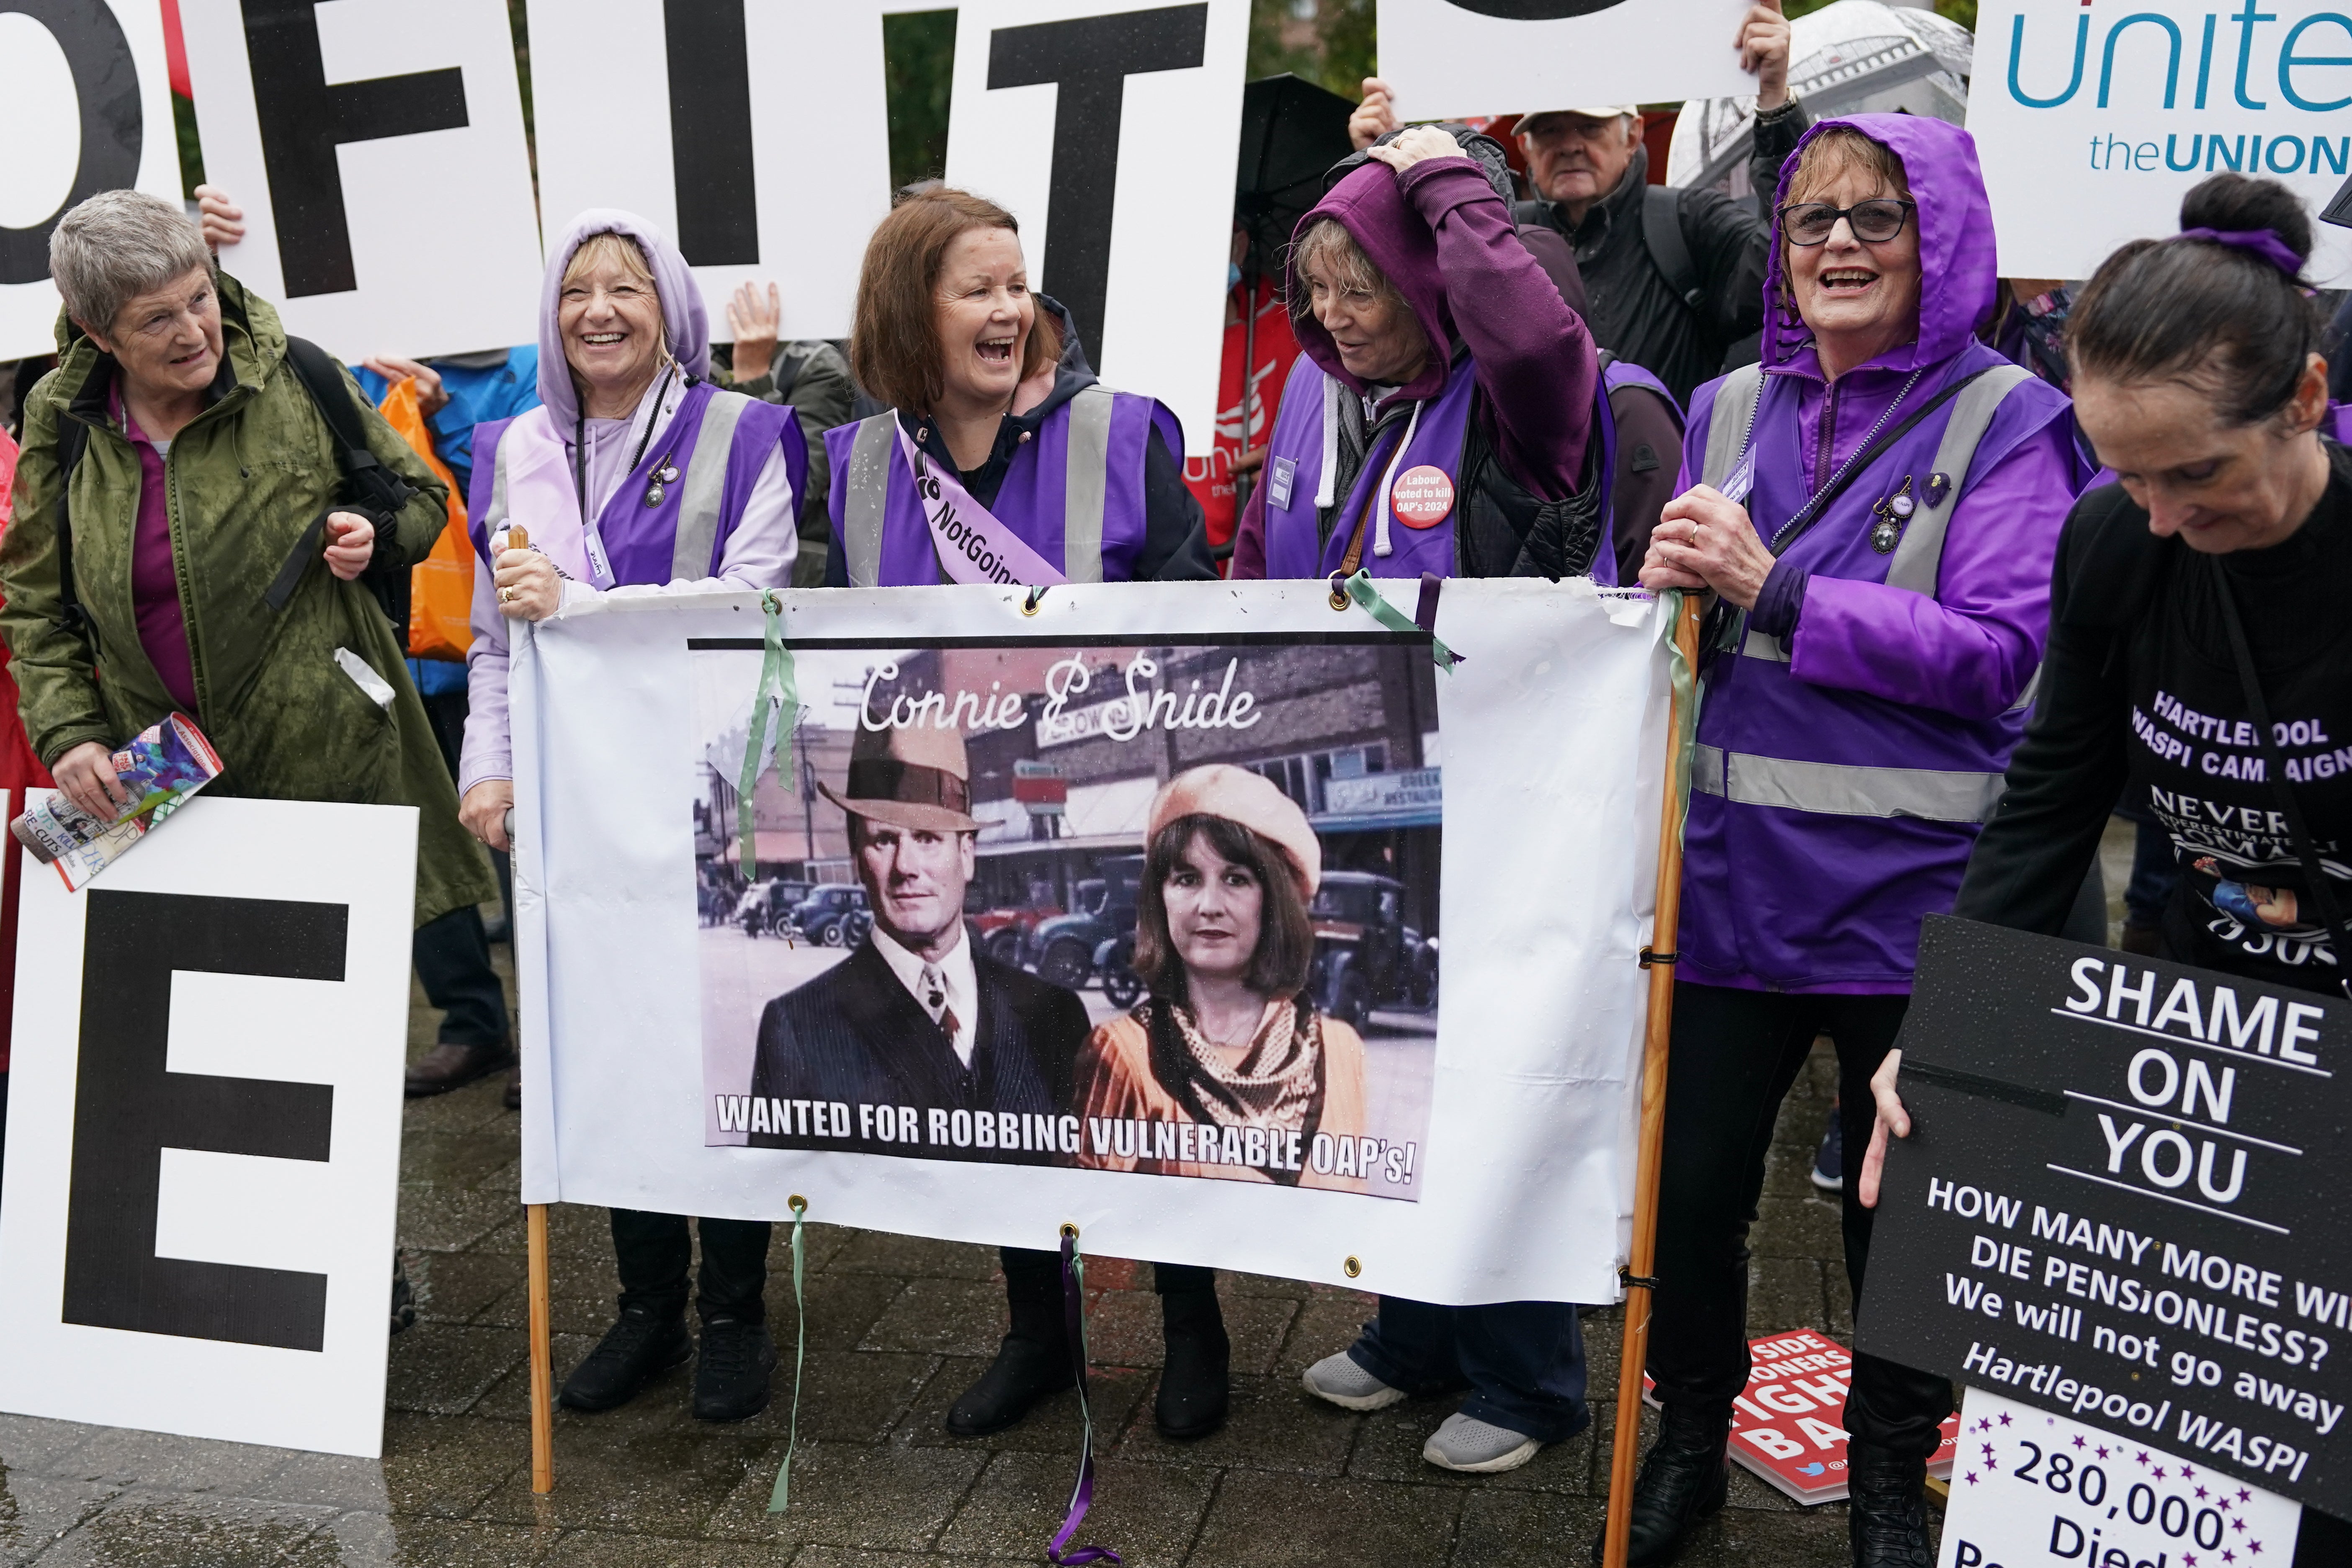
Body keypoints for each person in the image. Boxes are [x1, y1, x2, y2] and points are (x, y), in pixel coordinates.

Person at [1624, 116, 2088, 1568]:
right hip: (1721, 907)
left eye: (1874, 219)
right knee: (1686, 1204)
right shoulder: (1716, 408)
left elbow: (2002, 655)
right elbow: (1645, 615)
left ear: (1939, 238)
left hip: (1917, 913)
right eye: (1809, 218)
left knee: (1908, 1225)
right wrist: (1642, 589)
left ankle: (1890, 1472)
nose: (1833, 243)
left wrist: (1772, 592)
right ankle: (1688, 1432)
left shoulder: (2011, 417)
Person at [1870, 170, 2352, 1568]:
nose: (2152, 512)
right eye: (2119, 469)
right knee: (2187, 1428)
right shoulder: (2112, 543)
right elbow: (2046, 803)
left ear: (2305, 394)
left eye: (2192, 471)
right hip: (2197, 1022)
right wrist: (1942, 1041)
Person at [455, 209, 805, 1426]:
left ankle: (733, 1313)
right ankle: (648, 1306)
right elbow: (497, 640)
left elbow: (758, 608)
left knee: (717, 1047)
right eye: (576, 290)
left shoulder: (751, 432)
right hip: (572, 804)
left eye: (628, 287)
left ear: (674, 311)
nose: (599, 309)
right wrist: (486, 773)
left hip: (709, 796)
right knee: (603, 1054)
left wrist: (588, 601)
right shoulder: (513, 450)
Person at [0, 188, 496, 964]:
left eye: (198, 297)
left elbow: (424, 501)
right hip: (154, 773)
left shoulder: (297, 374)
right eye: (157, 319)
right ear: (98, 334)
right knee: (194, 998)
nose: (195, 331)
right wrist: (69, 733)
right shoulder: (58, 418)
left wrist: (376, 535)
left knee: (320, 998)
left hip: (322, 754)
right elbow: (34, 602)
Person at [193, 183, 527, 1099]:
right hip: (376, 645)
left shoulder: (527, 355)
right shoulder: (328, 354)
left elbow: (500, 487)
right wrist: (216, 248)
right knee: (405, 833)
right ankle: (471, 1019)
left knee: (496, 827)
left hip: (480, 645)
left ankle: (542, 1026)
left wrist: (437, 411)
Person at [1347, 2, 1806, 405]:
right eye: (1549, 130)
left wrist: (1775, 103)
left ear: (1633, 136)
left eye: (1589, 128)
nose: (1568, 146)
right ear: (1525, 146)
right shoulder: (1488, 233)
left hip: (1665, 496)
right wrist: (1384, 159)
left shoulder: (1688, 222)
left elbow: (1788, 267)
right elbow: (1402, 300)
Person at [1229, 124, 1610, 585]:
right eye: (1318, 287)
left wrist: (1447, 184)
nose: (1329, 317)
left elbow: (1533, 347)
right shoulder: (1309, 378)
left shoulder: (1510, 403)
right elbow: (1256, 557)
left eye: (1357, 292)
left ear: (1428, 291)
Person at [824, 186, 1214, 585]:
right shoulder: (860, 463)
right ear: (907, 314)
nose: (1011, 311)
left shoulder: (1120, 433)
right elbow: (837, 642)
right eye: (979, 291)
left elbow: (1195, 631)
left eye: (1017, 287)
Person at [747, 720, 1090, 1151]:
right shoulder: (798, 1027)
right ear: (858, 861)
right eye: (884, 840)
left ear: (966, 855)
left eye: (927, 838)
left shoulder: (1056, 1016)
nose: (906, 866)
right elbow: (777, 1205)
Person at [1073, 764, 1368, 1197]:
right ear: (1161, 898)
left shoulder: (1343, 1050)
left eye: (1236, 879)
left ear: (1275, 901)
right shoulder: (1124, 1054)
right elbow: (1085, 1248)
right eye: (1187, 879)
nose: (1208, 905)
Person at [722, 281, 854, 587]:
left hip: (791, 583)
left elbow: (795, 488)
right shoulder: (691, 356)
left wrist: (752, 381)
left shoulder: (815, 365)